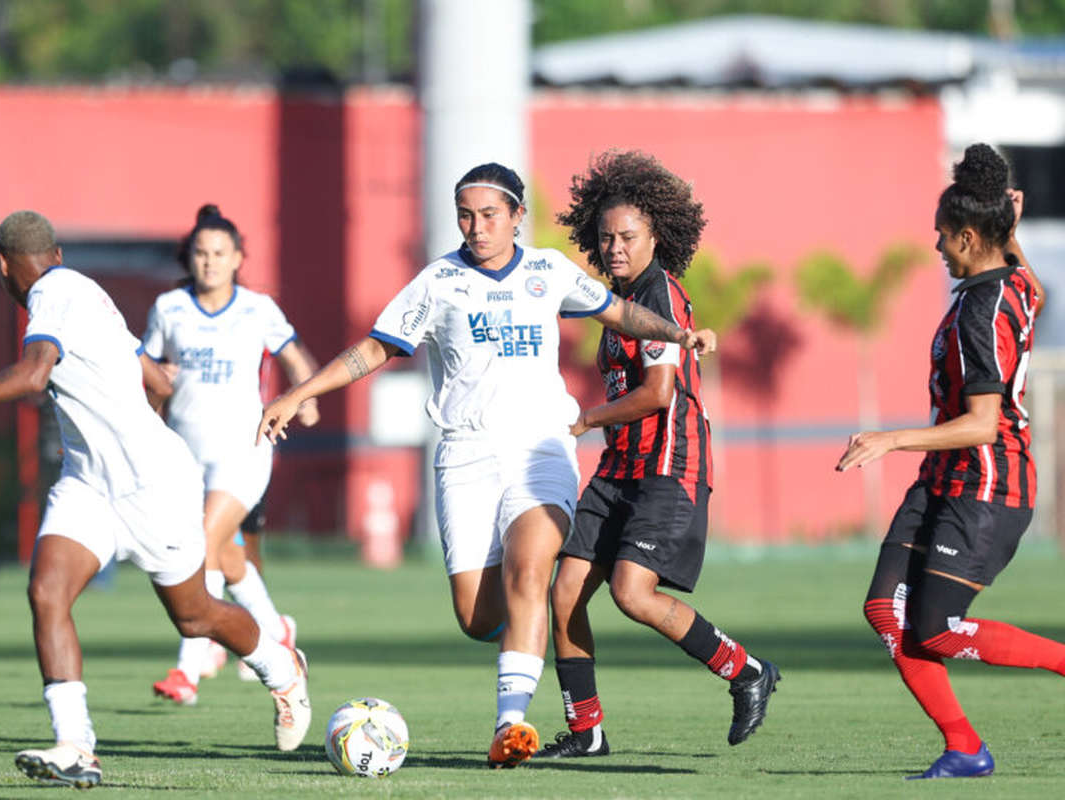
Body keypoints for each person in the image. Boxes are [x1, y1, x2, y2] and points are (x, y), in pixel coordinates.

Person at [257, 162, 715, 768]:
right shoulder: (439, 281)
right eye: (466, 216)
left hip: (541, 451)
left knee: (531, 575)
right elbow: (376, 347)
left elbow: (621, 314)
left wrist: (678, 335)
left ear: (517, 216)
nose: (476, 227)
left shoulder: (548, 271)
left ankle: (511, 726)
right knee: (478, 617)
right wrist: (301, 391)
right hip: (465, 456)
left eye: (489, 215)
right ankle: (519, 658)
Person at [0, 211, 311, 789]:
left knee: (195, 618)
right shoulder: (86, 293)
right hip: (88, 484)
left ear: (2, 267)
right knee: (47, 591)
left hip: (153, 489)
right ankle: (76, 746)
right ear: (56, 253)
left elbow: (34, 376)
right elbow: (159, 383)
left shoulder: (51, 296)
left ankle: (282, 670)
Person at [533, 150, 779, 760]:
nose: (614, 246)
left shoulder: (660, 294)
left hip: (670, 465)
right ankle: (587, 731)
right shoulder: (616, 301)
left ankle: (746, 670)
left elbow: (658, 392)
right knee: (563, 592)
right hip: (621, 469)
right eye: (606, 236)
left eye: (628, 236)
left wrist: (586, 418)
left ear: (656, 236)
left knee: (632, 593)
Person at [839, 143, 1056, 780]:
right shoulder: (1008, 281)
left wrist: (890, 439)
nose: (937, 248)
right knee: (886, 611)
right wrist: (1010, 236)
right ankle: (964, 747)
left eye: (944, 237)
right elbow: (1035, 289)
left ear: (967, 235)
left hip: (988, 487)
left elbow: (984, 423)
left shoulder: (985, 309)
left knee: (934, 631)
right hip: (943, 482)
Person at [143, 205, 319, 703]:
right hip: (184, 453)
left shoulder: (257, 309)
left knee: (201, 544)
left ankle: (188, 669)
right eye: (201, 253)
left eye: (220, 253)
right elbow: (148, 369)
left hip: (244, 449)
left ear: (238, 257)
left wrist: (306, 397)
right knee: (226, 554)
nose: (210, 262)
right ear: (190, 258)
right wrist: (156, 382)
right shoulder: (169, 309)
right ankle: (275, 628)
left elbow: (292, 352)